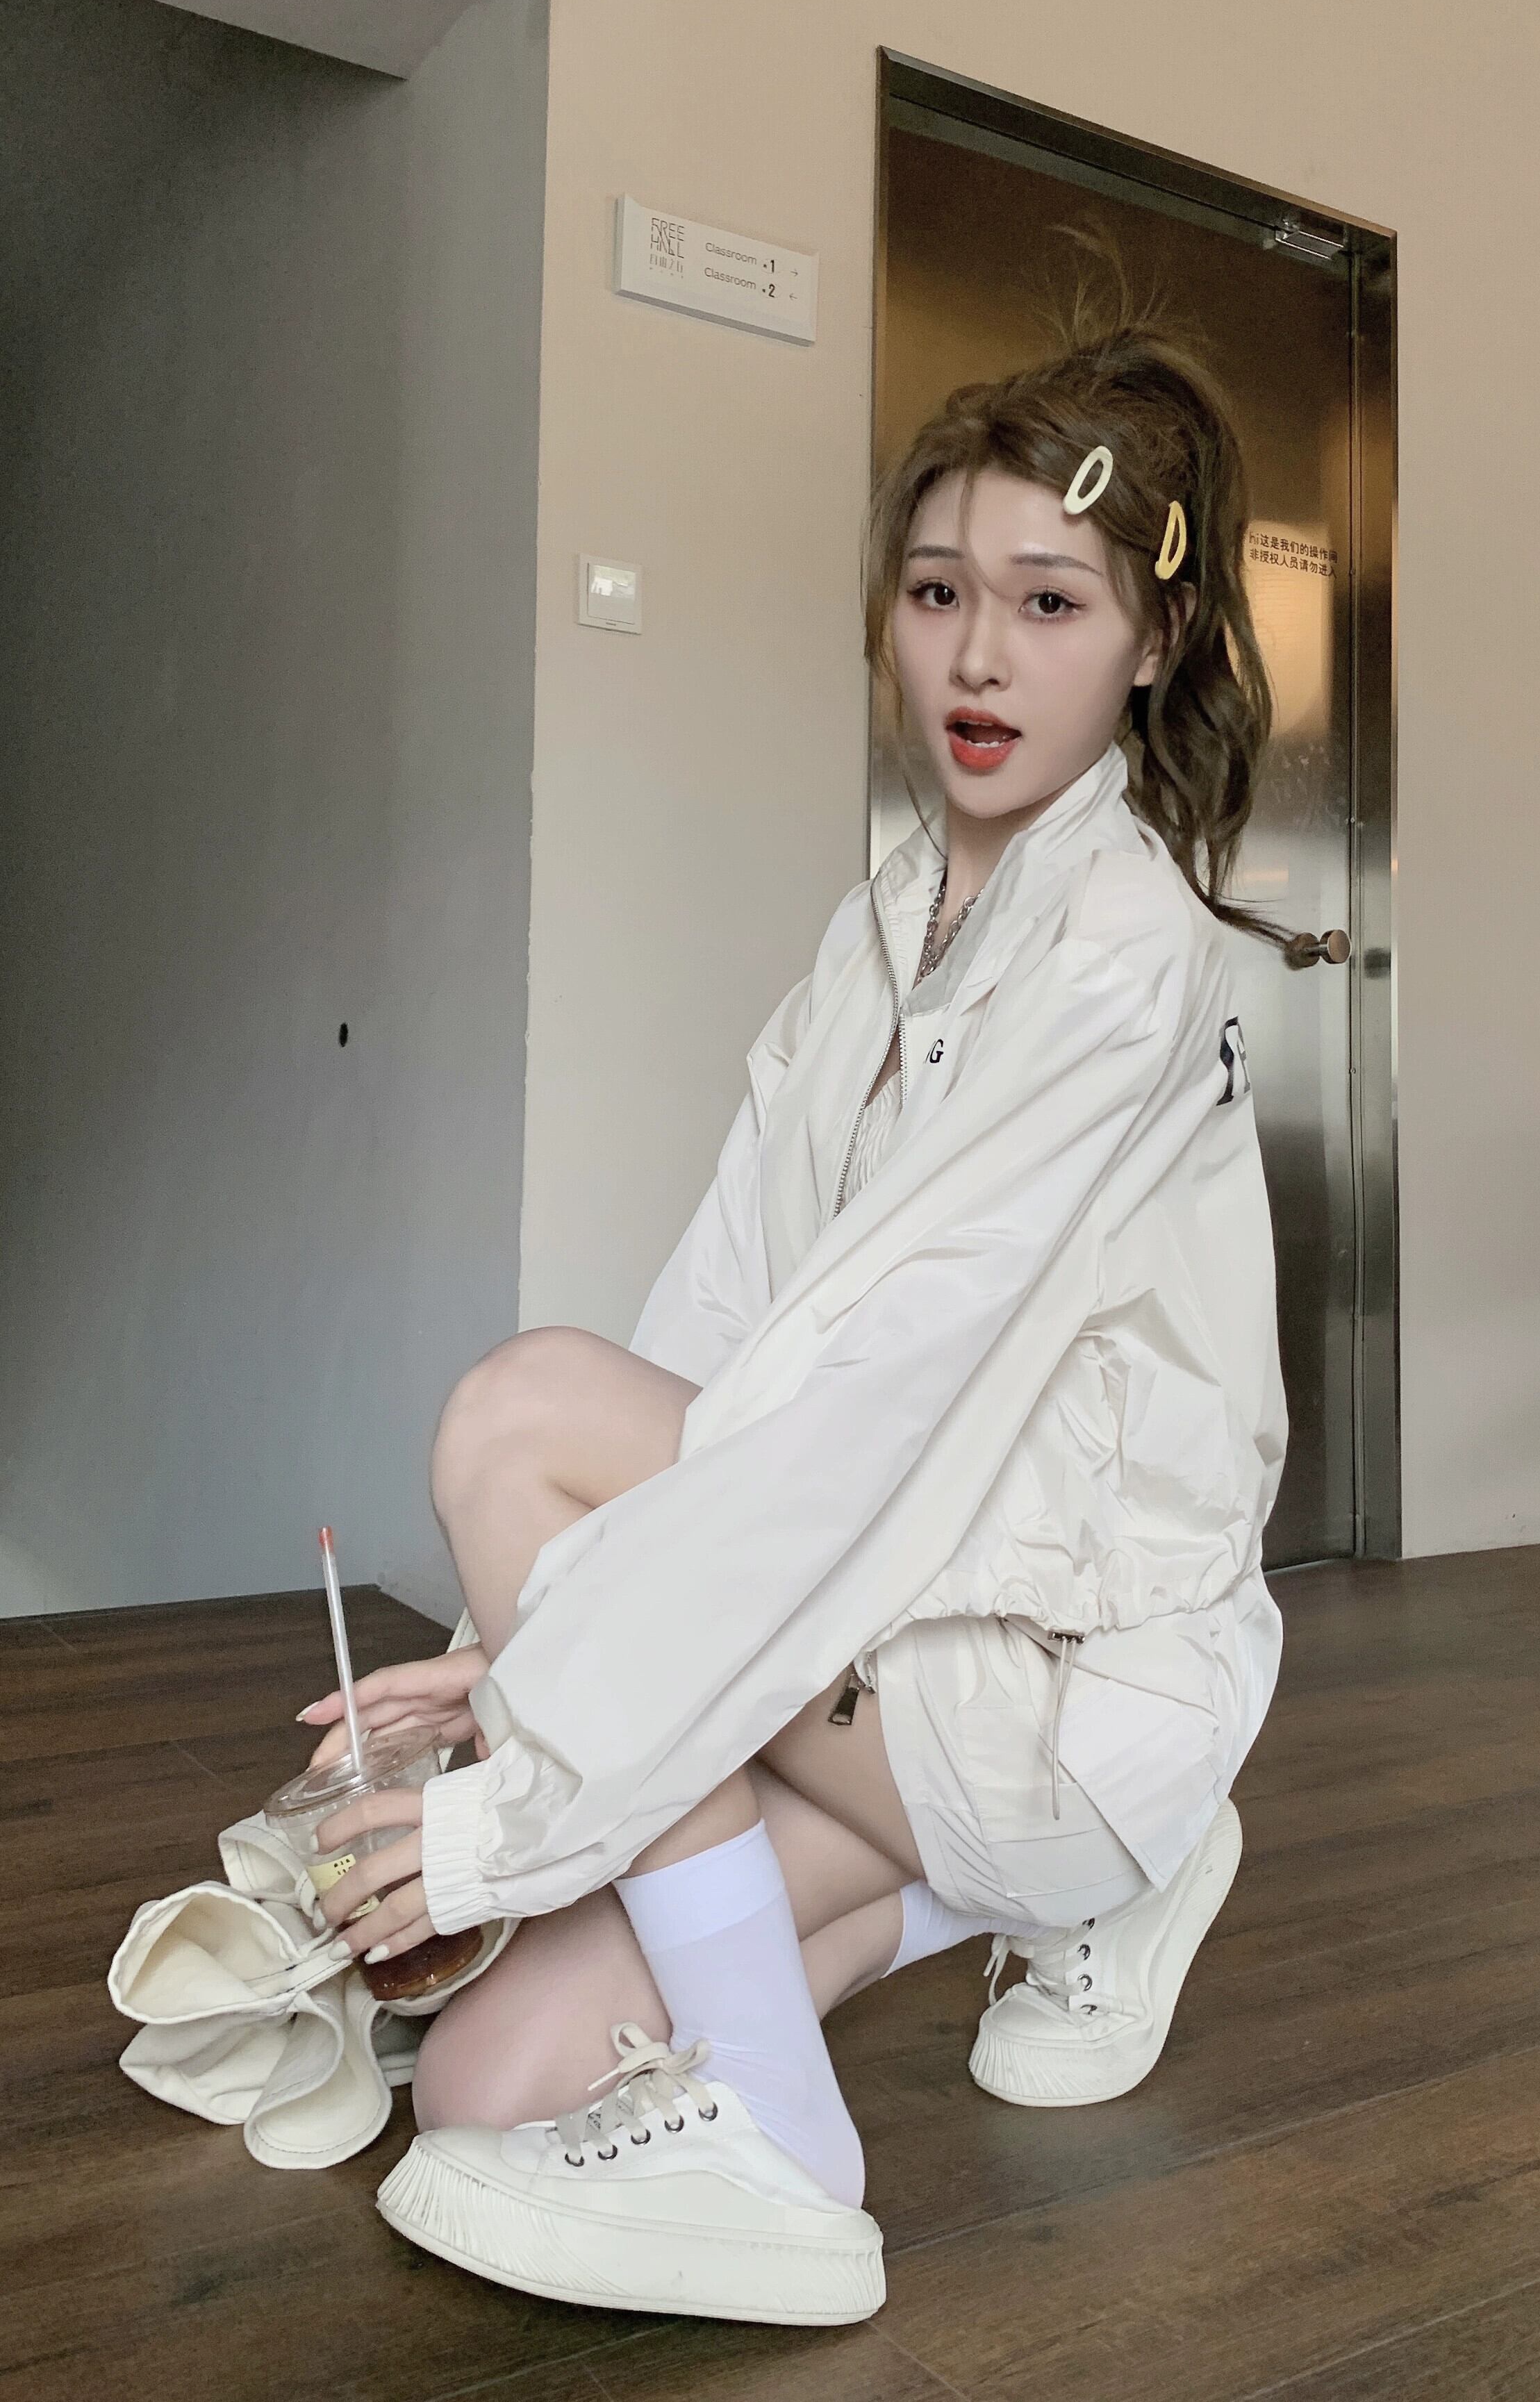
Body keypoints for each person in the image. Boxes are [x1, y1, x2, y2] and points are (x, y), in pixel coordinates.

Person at [297, 303, 1289, 2327]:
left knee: (517, 1416)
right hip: (890, 1659)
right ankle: (1035, 1904)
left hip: (1053, 1680)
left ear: (1155, 639)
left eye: (1050, 602)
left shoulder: (1127, 950)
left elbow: (865, 1425)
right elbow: (720, 1331)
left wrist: (517, 1804)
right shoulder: (872, 937)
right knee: (487, 2085)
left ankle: (786, 2143)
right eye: (938, 594)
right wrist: (511, 1660)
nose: (980, 658)